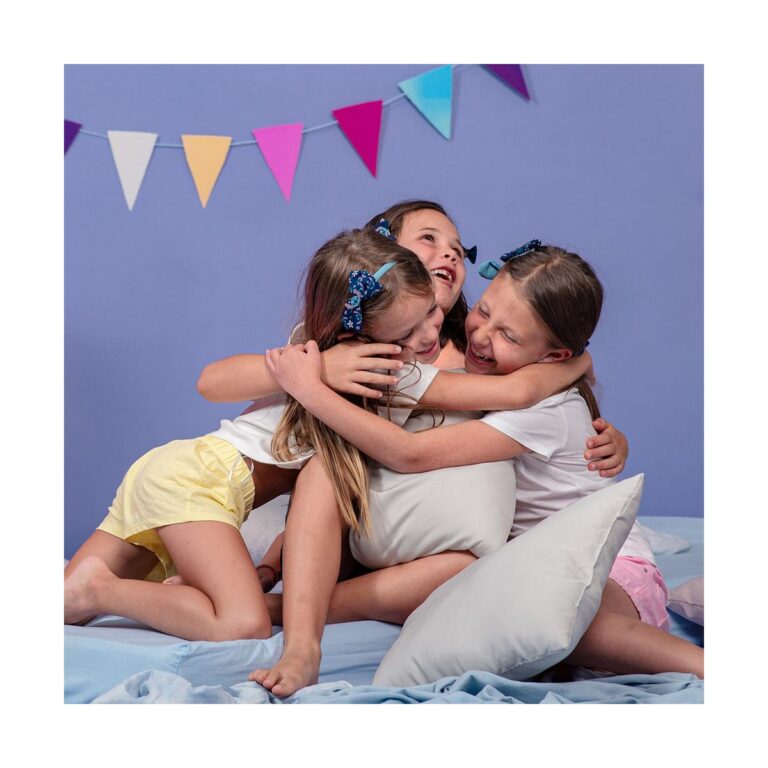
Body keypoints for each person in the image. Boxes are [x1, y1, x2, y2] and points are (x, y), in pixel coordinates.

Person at [64, 227, 590, 640]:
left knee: (62, 606)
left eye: (433, 311)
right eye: (408, 331)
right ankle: (103, 591)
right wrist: (576, 364)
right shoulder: (375, 369)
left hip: (179, 473)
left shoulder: (355, 358)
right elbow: (513, 392)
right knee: (241, 624)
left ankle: (91, 590)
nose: (428, 334)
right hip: (196, 482)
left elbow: (511, 393)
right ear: (360, 334)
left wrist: (577, 364)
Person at [260, 241, 703, 695]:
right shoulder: (488, 379)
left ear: (555, 356)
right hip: (524, 563)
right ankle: (299, 612)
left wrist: (311, 390)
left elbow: (409, 454)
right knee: (485, 595)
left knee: (562, 619)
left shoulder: (545, 409)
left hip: (607, 565)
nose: (482, 335)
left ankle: (701, 664)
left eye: (509, 335)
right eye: (484, 311)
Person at [198, 201, 627, 590]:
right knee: (325, 475)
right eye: (429, 240)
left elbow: (531, 401)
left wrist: (593, 397)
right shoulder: (345, 345)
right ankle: (273, 571)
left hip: (402, 514)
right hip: (331, 500)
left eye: (458, 249)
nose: (450, 254)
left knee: (446, 558)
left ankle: (288, 583)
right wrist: (320, 369)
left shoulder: (477, 355)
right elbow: (212, 383)